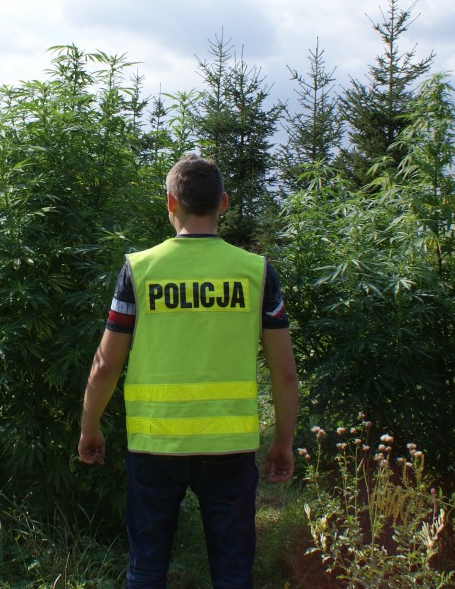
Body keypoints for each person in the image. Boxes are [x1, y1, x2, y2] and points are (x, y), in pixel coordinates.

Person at [78, 154, 299, 589]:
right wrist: (283, 442)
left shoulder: (140, 269)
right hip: (230, 447)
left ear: (170, 203)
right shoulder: (256, 272)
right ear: (223, 203)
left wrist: (90, 427)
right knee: (232, 573)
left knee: (146, 569)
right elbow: (285, 372)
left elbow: (106, 364)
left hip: (155, 444)